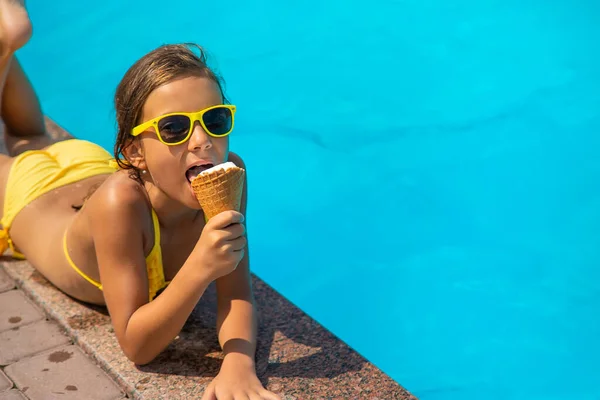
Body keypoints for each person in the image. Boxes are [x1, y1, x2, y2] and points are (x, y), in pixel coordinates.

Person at [0, 3, 280, 399]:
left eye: (214, 120)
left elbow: (235, 292)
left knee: (30, 134)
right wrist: (200, 267)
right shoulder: (121, 204)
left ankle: (6, 43)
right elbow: (137, 345)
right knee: (20, 147)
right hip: (28, 196)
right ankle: (6, 40)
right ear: (135, 153)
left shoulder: (231, 172)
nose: (202, 140)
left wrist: (238, 362)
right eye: (174, 128)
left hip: (85, 163)